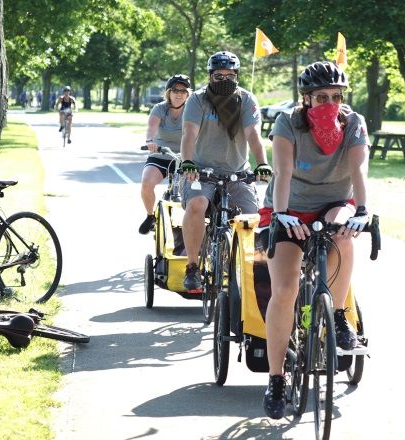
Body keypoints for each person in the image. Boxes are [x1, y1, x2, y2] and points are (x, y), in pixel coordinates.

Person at [258, 61, 370, 419]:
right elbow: (283, 171)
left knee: (344, 233)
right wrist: (282, 213)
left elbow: (358, 169)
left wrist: (363, 209)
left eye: (336, 96)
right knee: (286, 289)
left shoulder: (353, 123)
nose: (329, 103)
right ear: (305, 98)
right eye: (321, 97)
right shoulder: (288, 122)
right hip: (288, 206)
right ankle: (276, 379)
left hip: (334, 203)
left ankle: (337, 316)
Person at [179, 50, 272, 292]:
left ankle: (254, 271)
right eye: (219, 76)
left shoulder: (246, 99)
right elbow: (189, 133)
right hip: (199, 171)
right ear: (210, 76)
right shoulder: (197, 99)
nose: (224, 81)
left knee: (254, 217)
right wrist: (187, 161)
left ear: (237, 76)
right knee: (197, 204)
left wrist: (262, 163)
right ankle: (192, 267)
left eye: (230, 76)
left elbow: (253, 135)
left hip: (237, 172)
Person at [139, 74, 192, 234]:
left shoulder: (192, 110)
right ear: (168, 92)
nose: (179, 94)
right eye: (175, 90)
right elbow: (151, 128)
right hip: (161, 154)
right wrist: (150, 141)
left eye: (183, 91)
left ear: (188, 94)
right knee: (146, 183)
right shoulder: (160, 108)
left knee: (194, 193)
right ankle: (150, 217)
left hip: (185, 157)